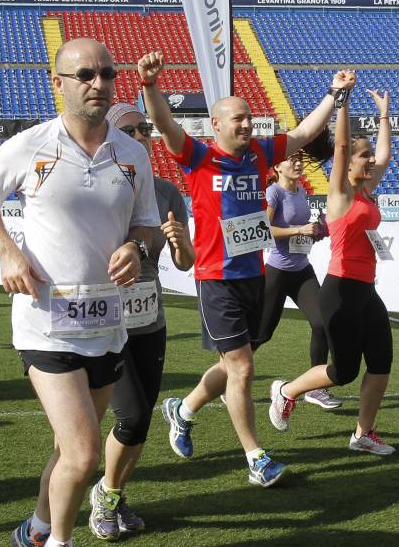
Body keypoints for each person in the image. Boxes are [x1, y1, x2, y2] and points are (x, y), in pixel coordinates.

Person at [0, 38, 160, 547]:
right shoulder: (30, 145)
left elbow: (146, 224)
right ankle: (59, 540)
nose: (98, 83)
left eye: (106, 73)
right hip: (45, 321)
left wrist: (136, 248)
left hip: (105, 323)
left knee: (65, 449)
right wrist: (9, 254)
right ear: (58, 84)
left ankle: (35, 529)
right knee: (83, 455)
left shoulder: (133, 154)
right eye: (85, 75)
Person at [139, 50, 355, 487]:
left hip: (252, 276)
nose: (245, 124)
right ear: (216, 125)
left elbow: (306, 131)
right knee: (241, 367)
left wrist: (334, 94)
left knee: (235, 362)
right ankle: (256, 458)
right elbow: (163, 124)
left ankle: (182, 411)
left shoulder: (259, 153)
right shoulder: (199, 156)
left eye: (249, 117)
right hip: (216, 278)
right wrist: (150, 86)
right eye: (236, 118)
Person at [269, 77, 398, 455]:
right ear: (349, 162)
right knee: (342, 373)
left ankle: (363, 434)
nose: (371, 159)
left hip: (365, 290)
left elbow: (386, 156)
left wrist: (385, 117)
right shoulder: (340, 193)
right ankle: (288, 390)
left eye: (370, 154)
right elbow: (341, 146)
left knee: (381, 362)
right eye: (364, 155)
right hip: (339, 290)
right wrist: (343, 101)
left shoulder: (367, 190)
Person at [86, 102, 195, 541]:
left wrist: (181, 242)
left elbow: (185, 264)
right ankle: (106, 495)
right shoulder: (97, 187)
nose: (143, 135)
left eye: (146, 128)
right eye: (130, 129)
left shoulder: (169, 193)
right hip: (104, 320)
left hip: (150, 320)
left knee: (142, 421)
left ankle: (114, 493)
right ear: (111, 137)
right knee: (129, 417)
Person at [253, 151, 342, 409]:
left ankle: (314, 389)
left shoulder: (302, 190)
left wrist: (317, 231)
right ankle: (230, 377)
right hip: (277, 272)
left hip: (302, 270)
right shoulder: (274, 193)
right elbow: (263, 231)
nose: (298, 163)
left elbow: (302, 233)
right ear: (277, 167)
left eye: (300, 159)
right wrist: (299, 230)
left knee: (323, 322)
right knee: (261, 333)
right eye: (291, 159)